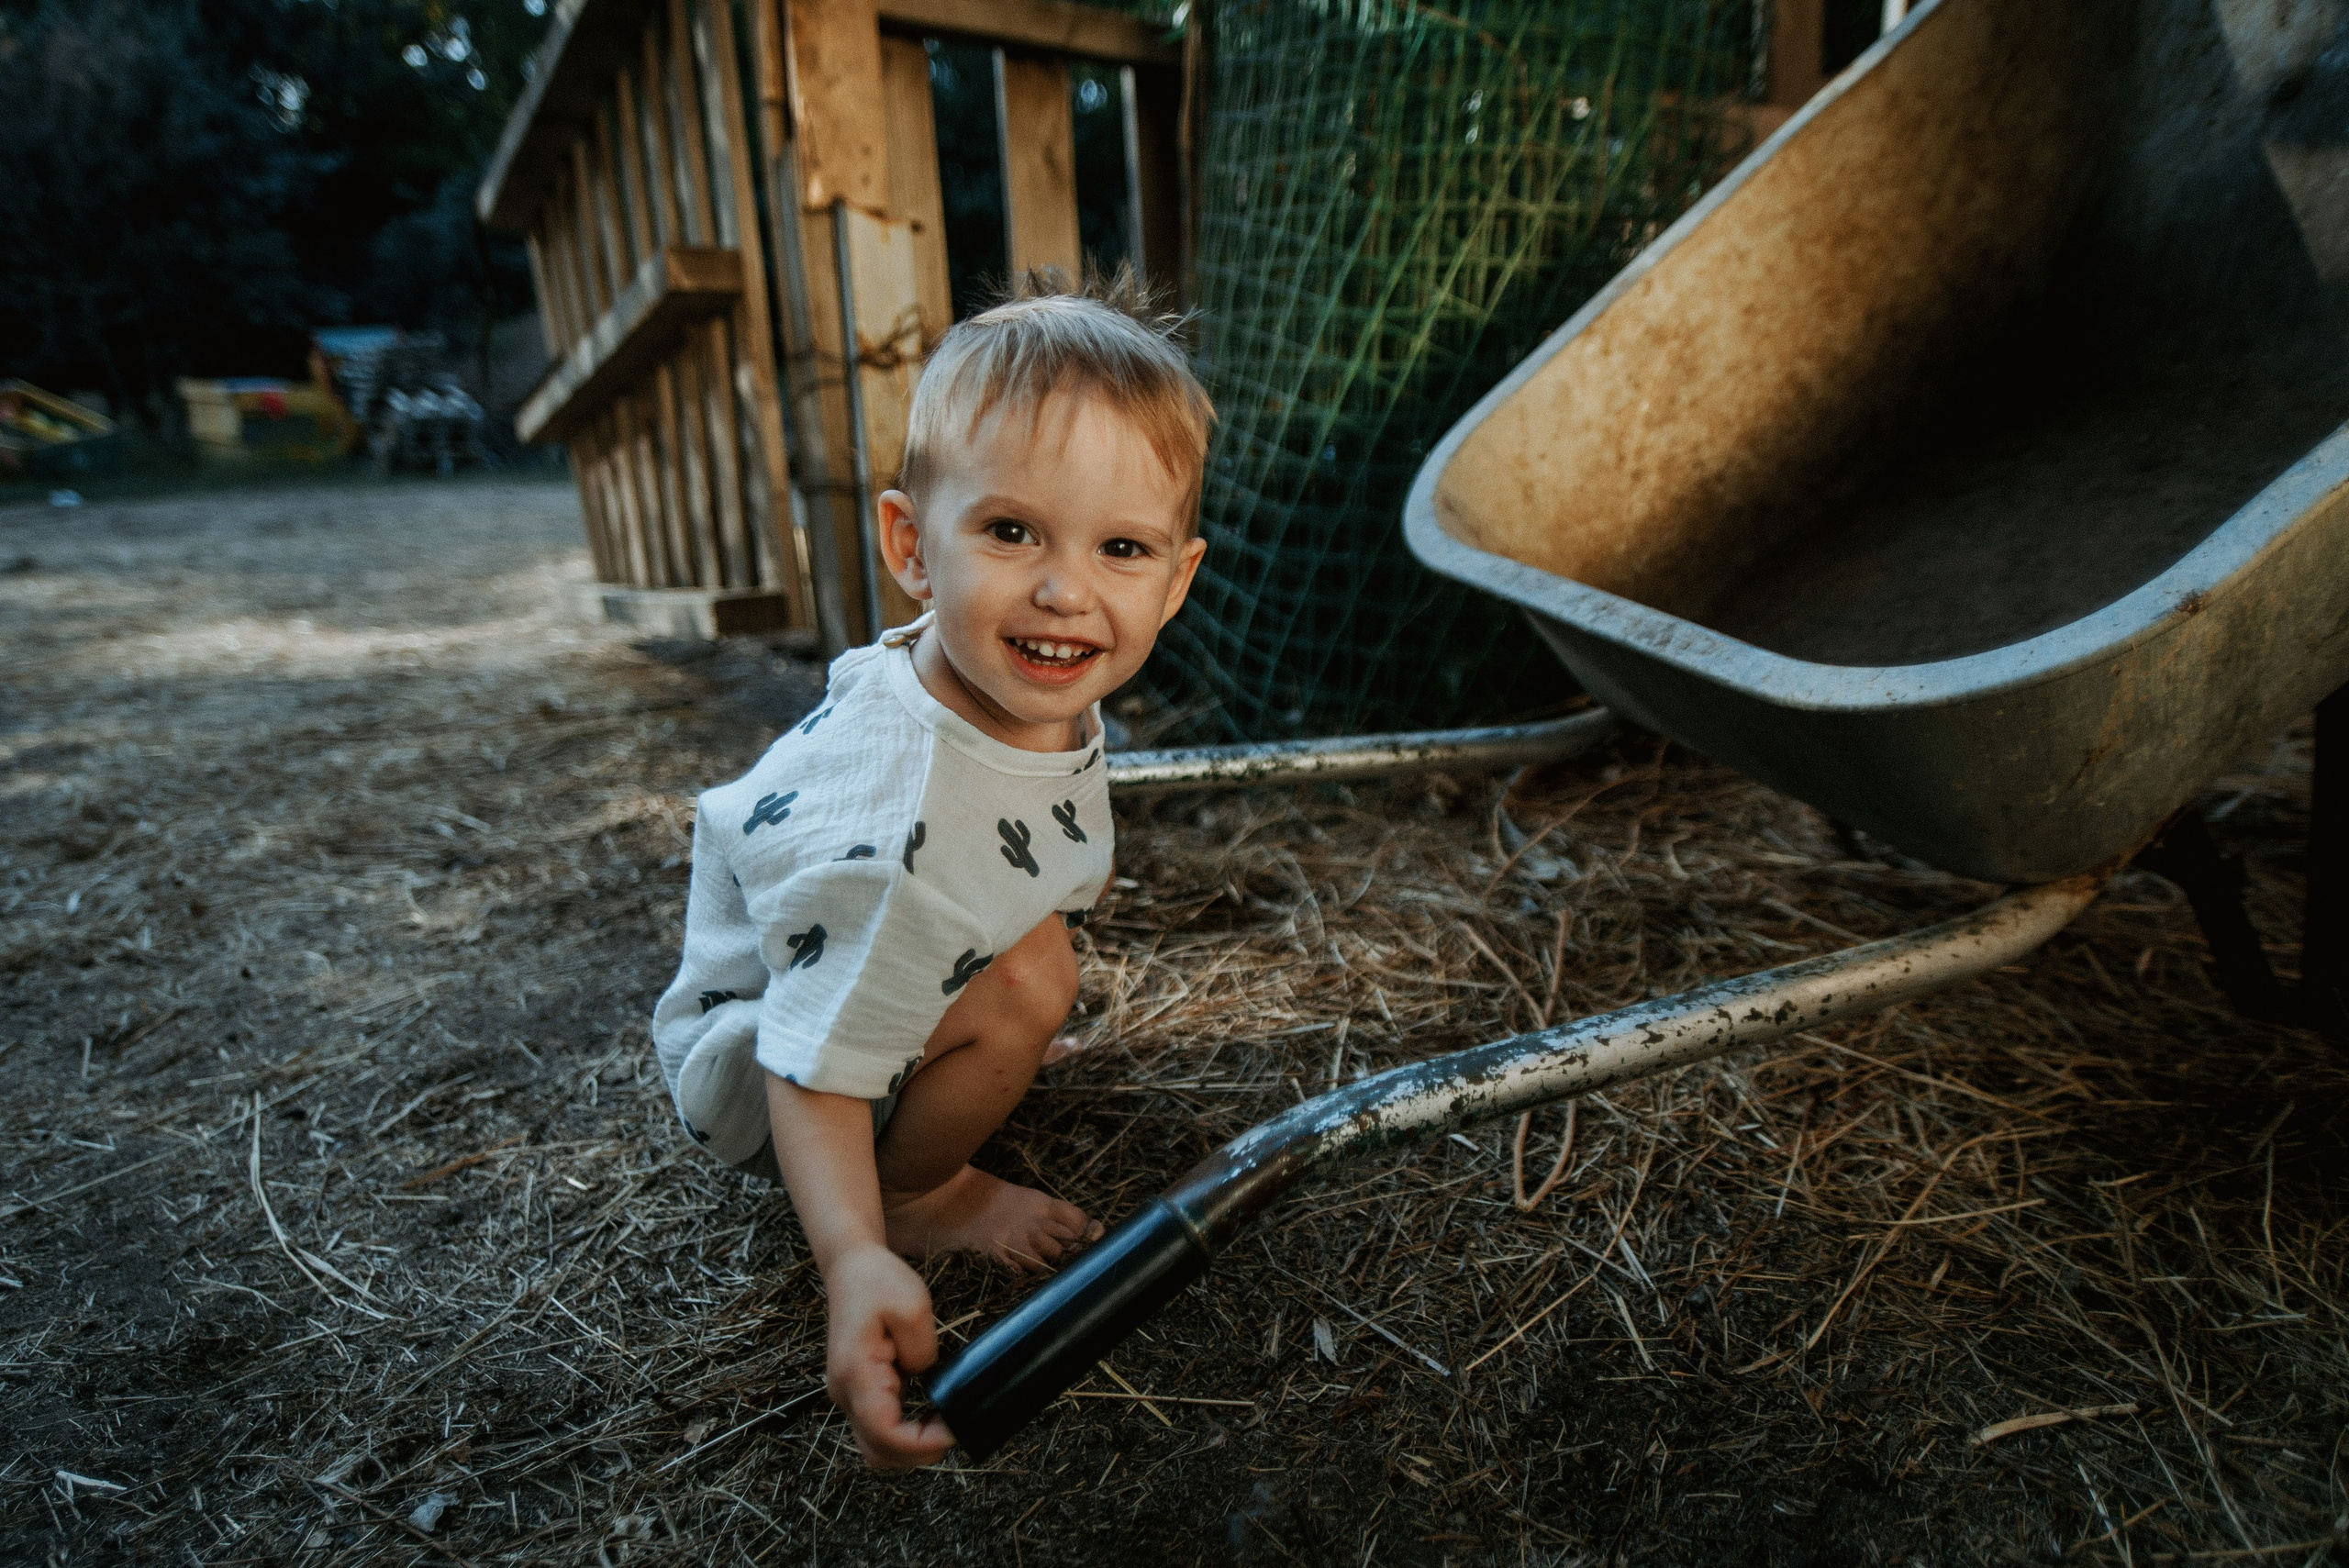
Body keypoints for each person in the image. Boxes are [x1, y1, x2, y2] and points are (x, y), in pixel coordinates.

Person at [650, 269, 1211, 1469]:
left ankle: (937, 1052)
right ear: (913, 544)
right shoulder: (904, 829)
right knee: (1023, 984)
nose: (1066, 587)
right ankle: (919, 1186)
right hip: (764, 1058)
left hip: (848, 964)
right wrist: (860, 1255)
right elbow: (808, 1055)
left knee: (1023, 959)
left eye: (1121, 547)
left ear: (1176, 576)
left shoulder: (1012, 678)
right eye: (1011, 531)